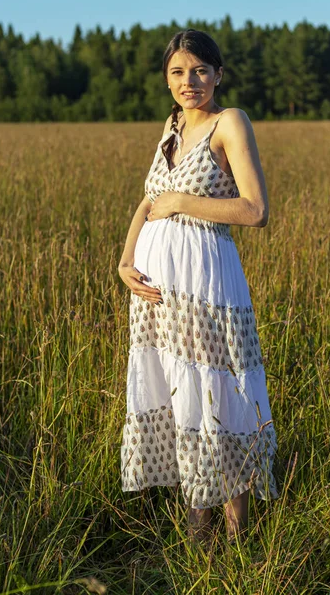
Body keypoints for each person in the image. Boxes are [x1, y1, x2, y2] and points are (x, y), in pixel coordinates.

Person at [119, 28, 279, 546]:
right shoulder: (169, 127)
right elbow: (149, 200)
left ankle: (236, 539)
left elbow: (254, 211)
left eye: (200, 70)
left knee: (221, 392)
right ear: (167, 79)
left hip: (207, 281)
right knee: (180, 393)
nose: (189, 82)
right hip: (158, 290)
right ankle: (198, 530)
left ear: (218, 74)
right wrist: (125, 259)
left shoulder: (228, 123)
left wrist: (183, 203)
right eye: (178, 72)